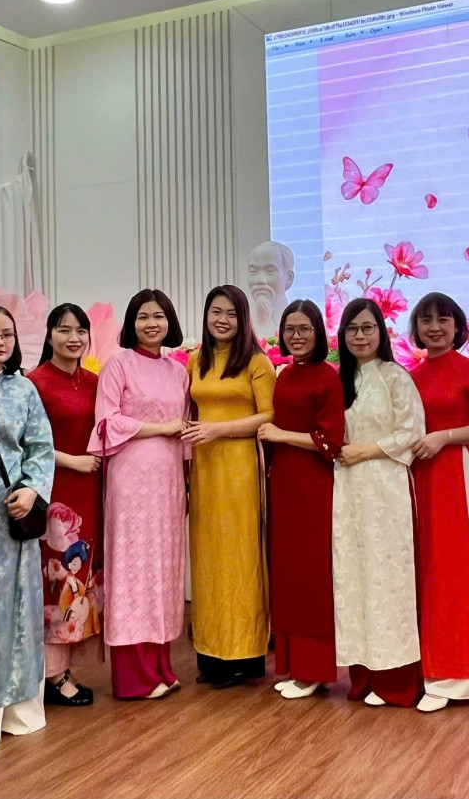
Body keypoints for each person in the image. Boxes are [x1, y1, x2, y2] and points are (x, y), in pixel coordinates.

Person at [89, 289, 191, 700]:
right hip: (131, 480)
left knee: (163, 570)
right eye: (144, 317)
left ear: (170, 322)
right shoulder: (118, 366)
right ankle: (135, 676)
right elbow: (106, 423)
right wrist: (162, 429)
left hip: (169, 480)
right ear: (131, 323)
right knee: (133, 570)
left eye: (159, 316)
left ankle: (161, 666)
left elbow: (186, 430)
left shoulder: (178, 371)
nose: (152, 324)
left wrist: (187, 478)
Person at [407, 293, 469, 712]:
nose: (434, 327)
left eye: (443, 320)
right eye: (426, 320)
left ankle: (460, 678)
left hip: (455, 475)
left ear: (457, 326)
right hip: (418, 476)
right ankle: (429, 671)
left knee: (456, 570)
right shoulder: (411, 376)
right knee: (425, 570)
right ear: (416, 328)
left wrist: (443, 437)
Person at [331, 297, 426, 708]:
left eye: (367, 327)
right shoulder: (340, 380)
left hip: (385, 487)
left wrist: (365, 451)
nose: (359, 336)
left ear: (381, 332)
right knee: (353, 577)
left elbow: (411, 432)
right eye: (352, 329)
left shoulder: (394, 377)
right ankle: (362, 676)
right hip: (348, 490)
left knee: (389, 578)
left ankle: (396, 682)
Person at [183, 285, 275, 688]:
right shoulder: (195, 361)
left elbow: (269, 415)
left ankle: (244, 654)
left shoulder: (257, 362)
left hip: (239, 468)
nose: (222, 320)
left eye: (231, 314)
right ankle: (211, 653)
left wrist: (218, 429)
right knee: (208, 558)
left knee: (240, 556)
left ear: (243, 319)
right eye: (215, 312)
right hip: (204, 470)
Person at [0, 303, 56, 741]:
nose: (0, 341)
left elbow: (40, 447)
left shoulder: (24, 389)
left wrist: (32, 490)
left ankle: (19, 712)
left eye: (7, 334)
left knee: (19, 610)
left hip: (14, 516)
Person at [256, 299, 345, 700]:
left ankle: (314, 669)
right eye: (290, 328)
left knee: (311, 575)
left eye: (304, 328)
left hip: (313, 485)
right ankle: (293, 665)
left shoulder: (328, 378)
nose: (296, 335)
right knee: (287, 573)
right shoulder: (285, 374)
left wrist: (281, 436)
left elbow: (331, 440)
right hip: (283, 484)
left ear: (318, 332)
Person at [27, 303, 103, 705]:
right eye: (64, 329)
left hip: (91, 491)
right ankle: (53, 676)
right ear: (49, 335)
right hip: (56, 495)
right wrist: (72, 460)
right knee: (56, 583)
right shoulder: (34, 382)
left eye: (80, 331)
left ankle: (62, 669)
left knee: (81, 581)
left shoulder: (94, 381)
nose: (73, 338)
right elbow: (25, 443)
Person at [246, 240, 295, 341]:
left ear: (289, 278)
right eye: (253, 271)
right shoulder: (240, 325)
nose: (260, 280)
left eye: (269, 271)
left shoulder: (299, 323)